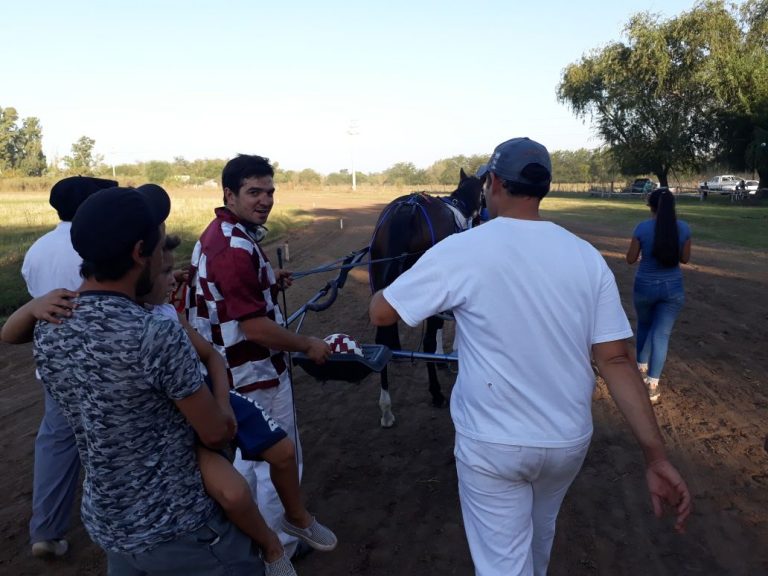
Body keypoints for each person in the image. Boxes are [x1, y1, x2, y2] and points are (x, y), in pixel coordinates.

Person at [369, 137, 691, 576]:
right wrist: (656, 456)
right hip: (566, 443)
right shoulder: (585, 257)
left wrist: (396, 282)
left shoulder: (462, 249)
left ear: (494, 183)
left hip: (492, 443)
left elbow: (381, 312)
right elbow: (615, 361)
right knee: (539, 541)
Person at [3, 185, 264, 574]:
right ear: (140, 252)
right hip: (183, 531)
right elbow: (214, 433)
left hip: (111, 527)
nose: (163, 259)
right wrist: (225, 409)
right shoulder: (154, 333)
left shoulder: (49, 324)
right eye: (159, 248)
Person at [187, 154, 332, 559]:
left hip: (228, 371)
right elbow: (254, 328)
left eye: (269, 192)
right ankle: (283, 545)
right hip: (254, 370)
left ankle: (252, 539)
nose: (265, 200)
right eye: (254, 192)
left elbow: (233, 293)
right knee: (276, 461)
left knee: (247, 460)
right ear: (229, 194)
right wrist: (308, 344)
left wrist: (268, 280)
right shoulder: (234, 249)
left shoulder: (221, 233)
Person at [20, 175, 116, 559]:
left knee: (56, 442)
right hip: (104, 362)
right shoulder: (97, 244)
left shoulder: (37, 250)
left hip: (56, 367)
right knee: (114, 443)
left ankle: (46, 529)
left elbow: (34, 302)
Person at [626, 188, 691, 403]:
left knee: (644, 326)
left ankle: (640, 371)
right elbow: (685, 259)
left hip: (645, 286)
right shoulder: (683, 228)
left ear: (650, 206)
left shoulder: (641, 228)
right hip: (672, 289)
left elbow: (630, 258)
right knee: (661, 334)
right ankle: (653, 385)